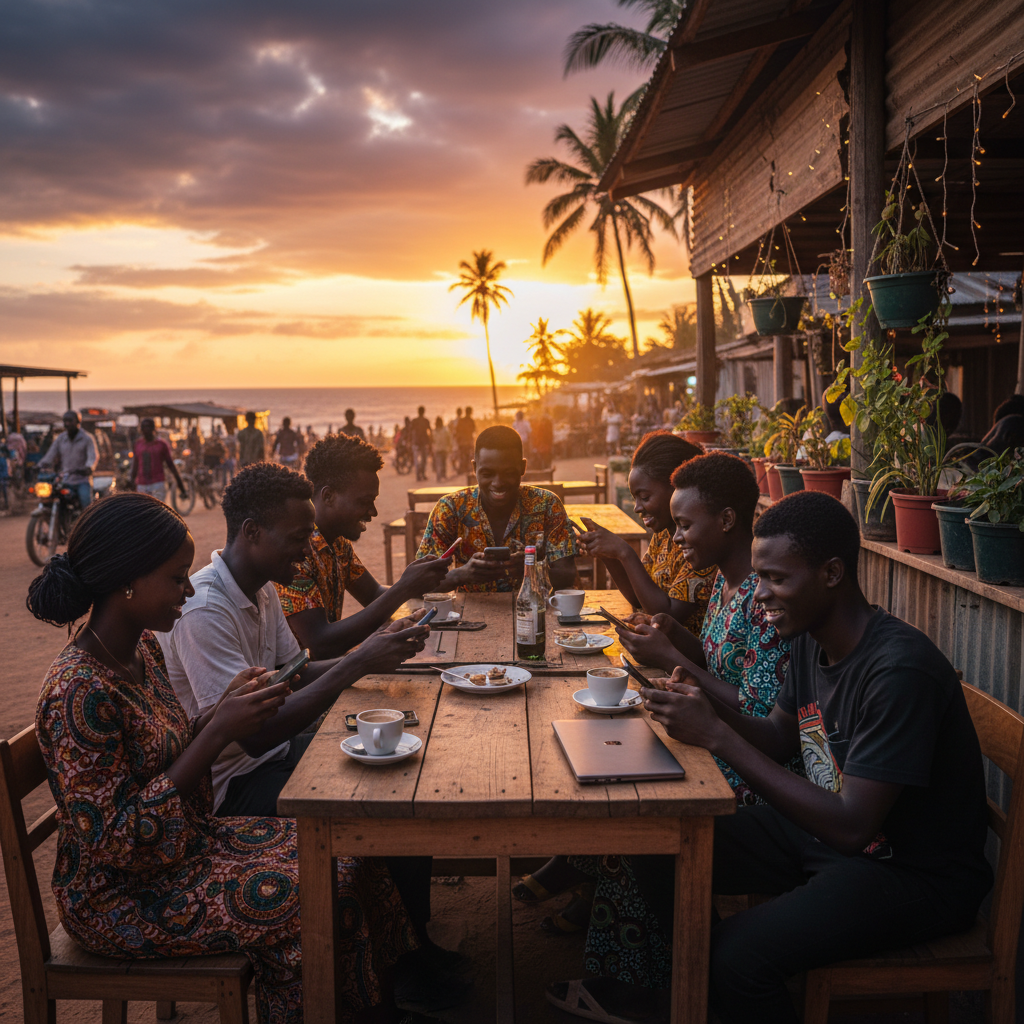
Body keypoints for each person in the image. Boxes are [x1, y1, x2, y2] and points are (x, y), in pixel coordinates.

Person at [551, 491, 994, 1023]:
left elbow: (853, 826)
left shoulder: (898, 672)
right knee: (657, 843)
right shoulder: (812, 638)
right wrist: (699, 697)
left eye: (777, 579)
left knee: (737, 955)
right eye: (759, 578)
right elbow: (781, 737)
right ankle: (708, 990)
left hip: (911, 874)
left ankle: (723, 976)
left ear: (832, 573)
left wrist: (717, 736)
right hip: (830, 841)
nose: (760, 595)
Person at [28, 493, 419, 1023]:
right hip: (120, 896)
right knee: (309, 890)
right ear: (127, 581)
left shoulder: (139, 649)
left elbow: (165, 745)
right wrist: (217, 734)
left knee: (348, 850)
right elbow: (117, 837)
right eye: (175, 577)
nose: (187, 591)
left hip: (186, 846)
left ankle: (374, 1006)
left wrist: (219, 714)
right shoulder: (76, 691)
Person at [275, 433, 451, 659]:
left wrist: (427, 584)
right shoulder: (297, 552)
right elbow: (319, 644)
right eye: (364, 502)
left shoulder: (337, 542)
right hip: (304, 684)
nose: (373, 512)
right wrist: (403, 588)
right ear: (328, 496)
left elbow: (372, 594)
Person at [576, 431, 716, 635]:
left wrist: (625, 552)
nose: (637, 507)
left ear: (676, 487)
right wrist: (607, 554)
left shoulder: (699, 542)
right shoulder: (663, 535)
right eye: (635, 498)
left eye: (644, 497)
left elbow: (666, 615)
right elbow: (637, 597)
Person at [417, 424, 578, 592]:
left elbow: (567, 575)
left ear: (523, 468)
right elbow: (420, 582)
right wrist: (461, 575)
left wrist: (531, 570)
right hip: (468, 615)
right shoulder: (450, 508)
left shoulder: (547, 505)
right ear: (474, 469)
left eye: (508, 473)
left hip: (534, 613)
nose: (498, 483)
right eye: (487, 474)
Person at [37, 410, 98, 509]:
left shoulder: (87, 438)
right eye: (65, 421)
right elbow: (51, 454)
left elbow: (93, 456)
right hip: (65, 480)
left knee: (87, 506)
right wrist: (41, 465)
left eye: (70, 421)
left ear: (78, 422)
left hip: (82, 480)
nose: (67, 424)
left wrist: (89, 467)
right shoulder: (61, 438)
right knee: (52, 498)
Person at [129, 417, 188, 504]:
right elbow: (135, 465)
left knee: (157, 512)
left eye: (148, 427)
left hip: (157, 483)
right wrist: (132, 481)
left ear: (153, 429)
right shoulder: (138, 445)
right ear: (141, 430)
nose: (146, 430)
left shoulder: (161, 445)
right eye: (144, 427)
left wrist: (181, 487)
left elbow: (171, 465)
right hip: (142, 484)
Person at [408, 406, 432, 482]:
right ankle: (422, 474)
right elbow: (430, 432)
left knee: (417, 460)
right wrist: (431, 442)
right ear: (424, 412)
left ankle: (419, 475)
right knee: (423, 460)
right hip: (423, 443)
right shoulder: (426, 421)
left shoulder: (414, 421)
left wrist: (410, 441)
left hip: (416, 443)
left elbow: (410, 432)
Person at [454, 405, 475, 472]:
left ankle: (463, 468)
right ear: (470, 412)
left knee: (463, 456)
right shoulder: (471, 421)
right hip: (468, 441)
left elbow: (457, 431)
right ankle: (467, 468)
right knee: (468, 455)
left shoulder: (461, 421)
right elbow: (473, 430)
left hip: (462, 442)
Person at [432, 415, 451, 482]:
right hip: (440, 449)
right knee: (440, 463)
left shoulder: (436, 431)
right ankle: (440, 476)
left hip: (442, 449)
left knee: (442, 463)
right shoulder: (443, 430)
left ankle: (442, 475)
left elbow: (448, 439)